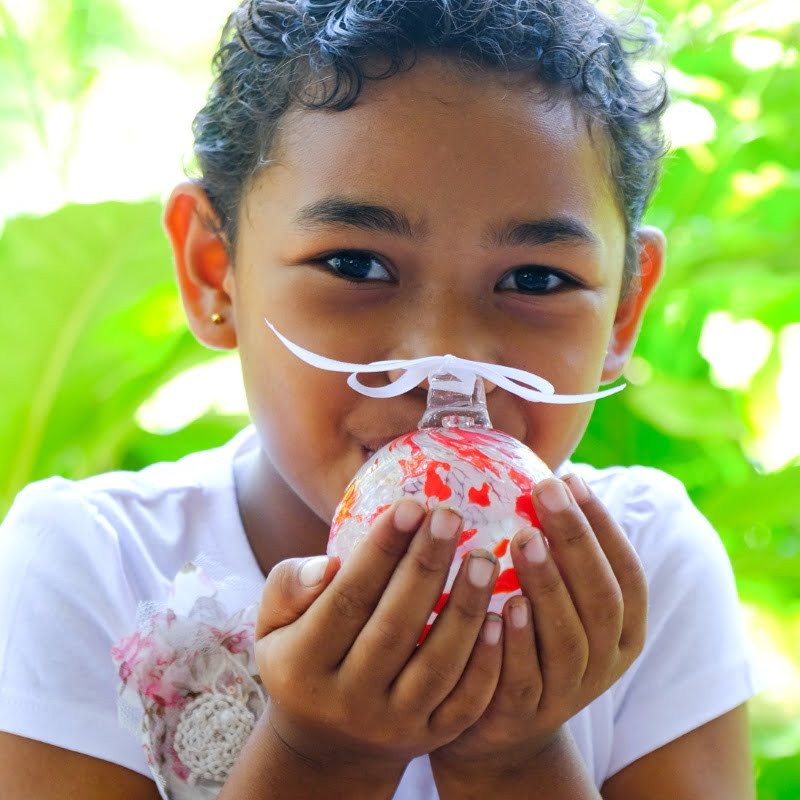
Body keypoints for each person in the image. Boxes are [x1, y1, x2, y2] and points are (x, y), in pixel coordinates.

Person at [0, 0, 760, 797]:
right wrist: (321, 757)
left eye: (536, 279)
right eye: (358, 265)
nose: (446, 361)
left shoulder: (643, 568)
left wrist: (515, 759)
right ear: (213, 269)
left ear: (625, 309)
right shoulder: (91, 566)